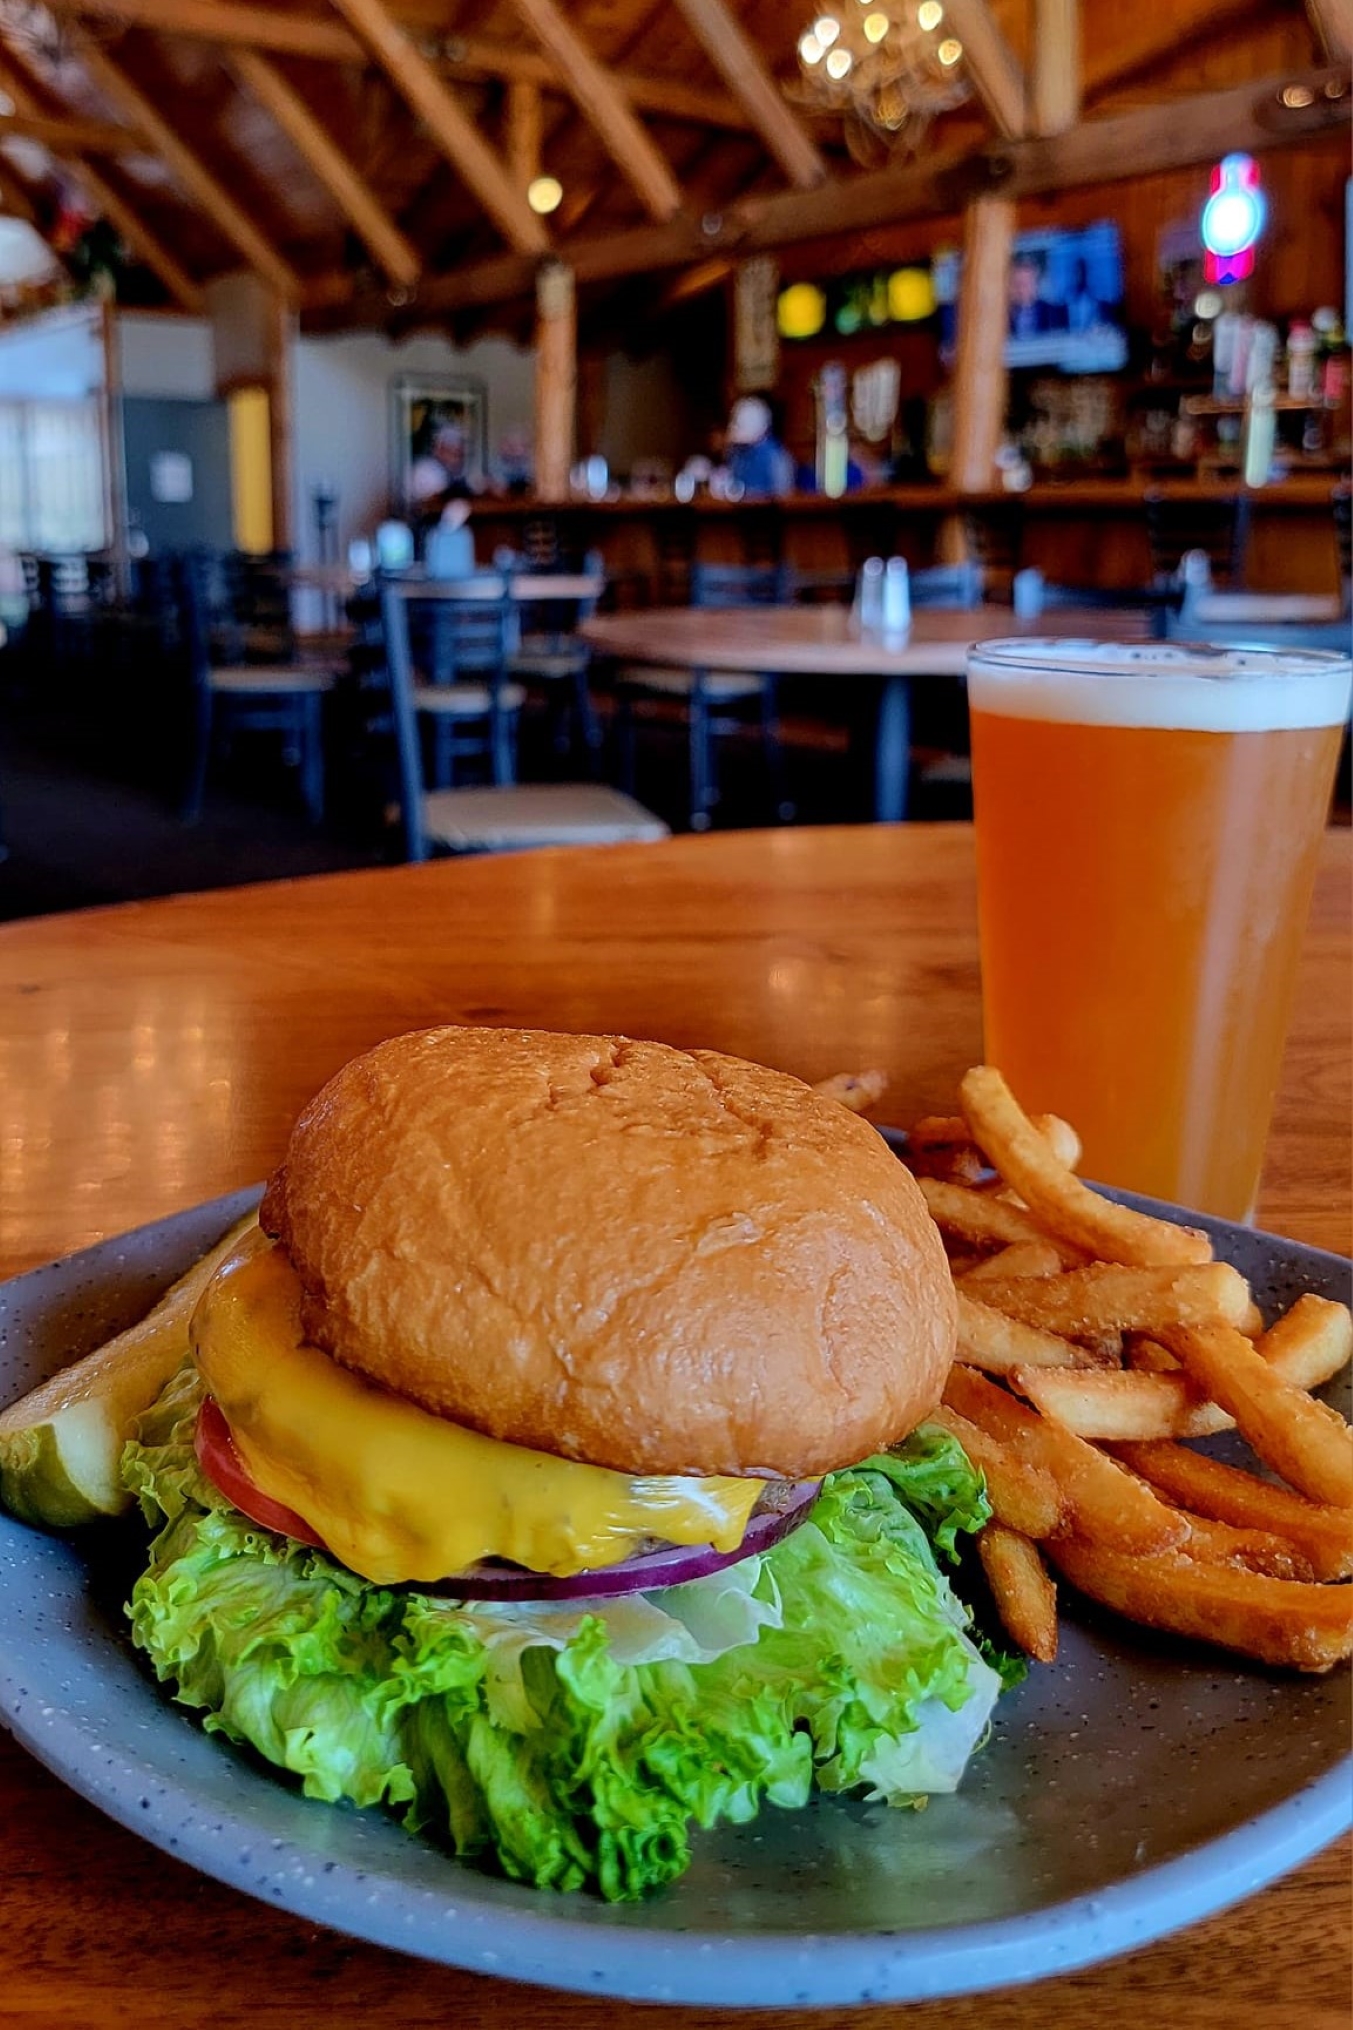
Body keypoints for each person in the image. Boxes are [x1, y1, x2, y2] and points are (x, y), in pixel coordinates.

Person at [724, 396, 794, 498]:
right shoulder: (735, 452)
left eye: (738, 423)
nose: (732, 427)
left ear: (760, 426)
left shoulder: (776, 458)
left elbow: (783, 497)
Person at [1007, 254, 1068, 340]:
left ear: (1036, 283)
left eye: (1026, 283)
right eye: (1017, 283)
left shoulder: (1056, 313)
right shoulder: (1000, 316)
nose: (1021, 289)